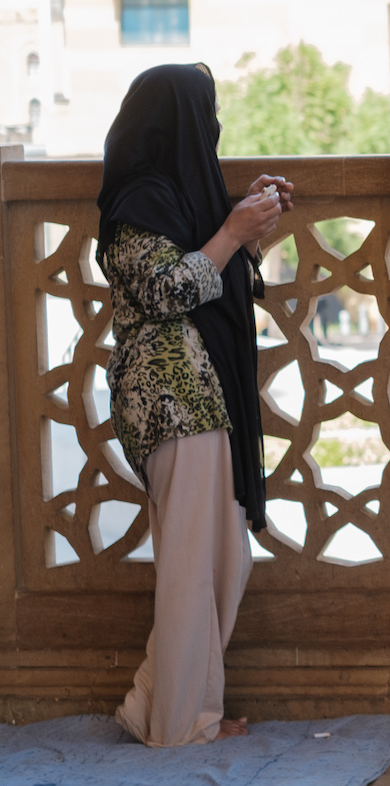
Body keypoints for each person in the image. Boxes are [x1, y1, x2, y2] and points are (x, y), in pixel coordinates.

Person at [97, 63, 290, 746]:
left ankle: (158, 704)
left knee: (218, 558)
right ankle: (185, 723)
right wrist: (232, 232)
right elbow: (163, 293)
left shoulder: (171, 195)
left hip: (201, 395)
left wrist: (249, 228)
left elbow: (209, 274)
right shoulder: (137, 201)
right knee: (192, 561)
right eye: (203, 113)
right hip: (171, 399)